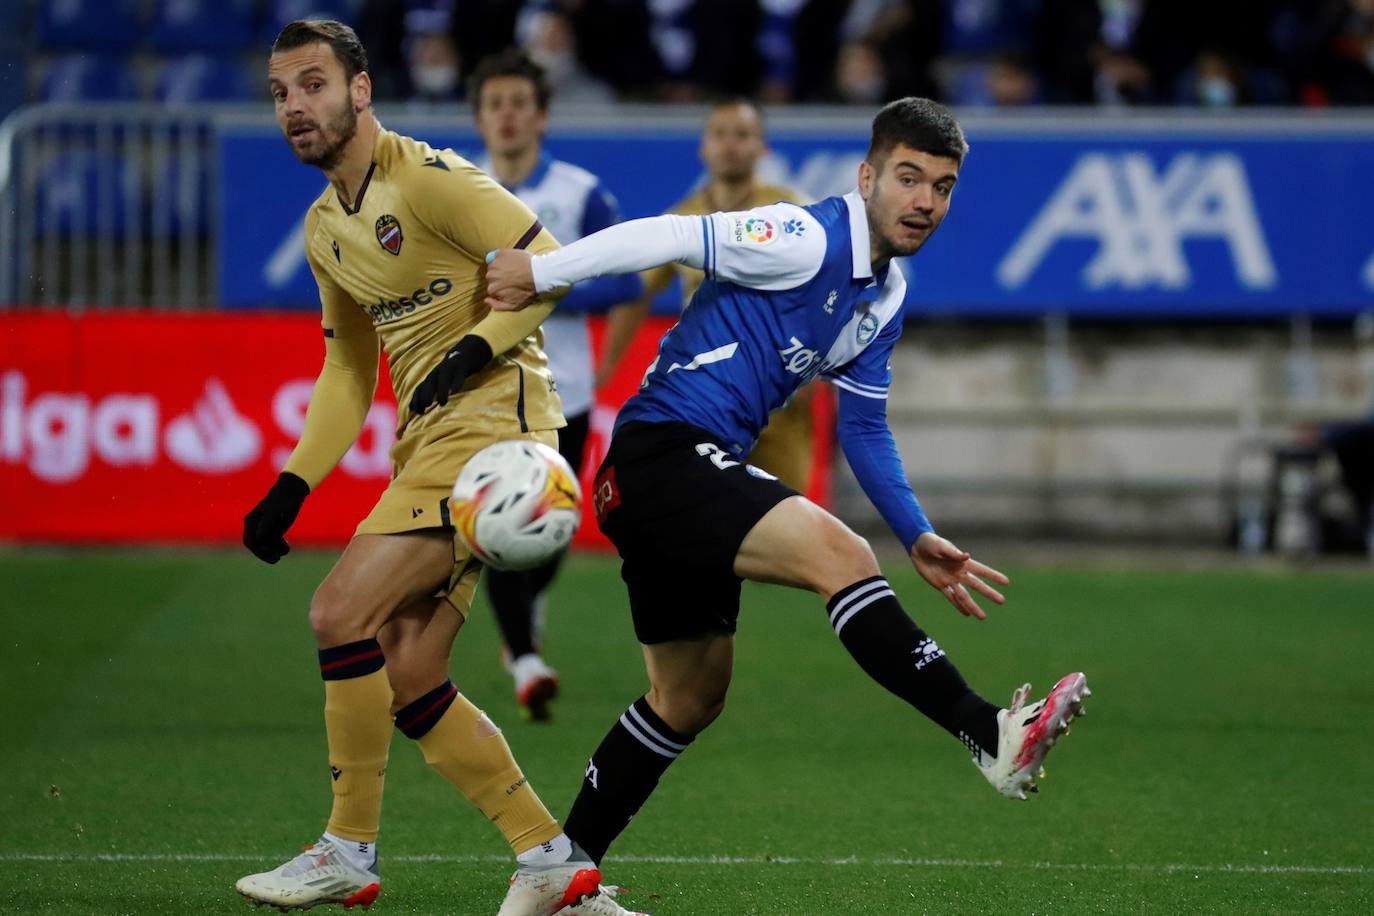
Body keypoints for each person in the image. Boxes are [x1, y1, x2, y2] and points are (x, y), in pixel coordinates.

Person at [485, 97, 1092, 872]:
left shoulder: (888, 294)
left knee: (689, 697)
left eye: (942, 187)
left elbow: (864, 428)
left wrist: (916, 533)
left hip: (675, 476)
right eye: (909, 178)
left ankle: (557, 873)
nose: (924, 202)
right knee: (838, 555)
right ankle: (993, 736)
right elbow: (668, 236)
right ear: (867, 176)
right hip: (662, 452)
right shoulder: (803, 235)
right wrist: (539, 273)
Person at [237, 20, 638, 916]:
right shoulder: (324, 227)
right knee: (410, 664)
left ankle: (347, 846)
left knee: (337, 610)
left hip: (497, 430)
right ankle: (550, 864)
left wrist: (478, 347)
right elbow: (347, 371)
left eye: (312, 84)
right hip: (431, 443)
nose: (295, 106)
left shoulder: (429, 179)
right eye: (280, 92)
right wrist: (292, 484)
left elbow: (553, 261)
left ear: (361, 90)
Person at [469, 47, 642, 720]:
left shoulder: (579, 193)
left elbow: (629, 286)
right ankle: (527, 660)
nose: (508, 117)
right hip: (483, 390)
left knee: (557, 524)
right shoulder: (455, 190)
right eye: (495, 105)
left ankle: (528, 613)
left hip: (562, 388)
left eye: (519, 104)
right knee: (493, 519)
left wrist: (605, 370)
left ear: (541, 116)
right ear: (479, 119)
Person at [598, 98, 816, 492]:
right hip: (705, 398)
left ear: (762, 147)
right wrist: (607, 367)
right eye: (720, 134)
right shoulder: (681, 219)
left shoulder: (793, 212)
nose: (730, 144)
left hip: (779, 398)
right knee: (705, 520)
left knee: (789, 520)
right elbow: (635, 293)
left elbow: (827, 290)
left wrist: (823, 373)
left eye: (742, 135)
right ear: (703, 146)